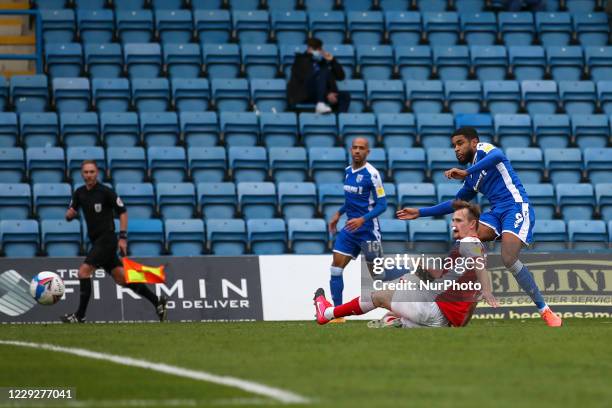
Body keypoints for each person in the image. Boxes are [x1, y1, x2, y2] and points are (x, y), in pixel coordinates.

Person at [396, 127, 562, 327]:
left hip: (516, 206)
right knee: (467, 239)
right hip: (496, 212)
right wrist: (420, 212)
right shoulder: (472, 179)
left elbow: (499, 156)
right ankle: (451, 300)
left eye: (460, 143)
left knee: (508, 258)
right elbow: (455, 203)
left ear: (473, 142)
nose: (456, 149)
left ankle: (545, 310)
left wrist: (467, 171)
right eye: (454, 146)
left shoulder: (484, 150)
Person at [315, 201, 498, 328]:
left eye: (458, 220)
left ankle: (328, 314)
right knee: (408, 280)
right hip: (442, 320)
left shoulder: (469, 244)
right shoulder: (477, 247)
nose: (453, 225)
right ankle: (398, 321)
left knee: (378, 296)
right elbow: (467, 291)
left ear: (472, 224)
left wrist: (423, 268)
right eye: (452, 220)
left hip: (433, 313)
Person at [61, 160, 167, 323]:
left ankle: (79, 316)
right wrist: (69, 215)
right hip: (97, 241)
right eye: (86, 172)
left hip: (107, 239)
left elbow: (123, 212)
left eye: (92, 172)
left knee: (83, 272)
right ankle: (157, 301)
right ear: (82, 174)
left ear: (97, 173)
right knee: (121, 278)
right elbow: (72, 210)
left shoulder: (106, 192)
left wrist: (123, 237)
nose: (89, 175)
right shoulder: (79, 193)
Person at [327, 137, 387, 323]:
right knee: (335, 269)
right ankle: (338, 314)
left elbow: (382, 205)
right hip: (350, 230)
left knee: (379, 277)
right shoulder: (347, 171)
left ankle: (403, 308)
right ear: (350, 150)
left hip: (368, 230)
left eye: (361, 148)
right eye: (355, 148)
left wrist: (363, 219)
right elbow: (351, 200)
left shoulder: (372, 174)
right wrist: (338, 213)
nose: (357, 151)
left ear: (367, 152)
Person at [287, 37, 350, 114]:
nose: (319, 51)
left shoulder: (322, 62)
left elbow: (341, 77)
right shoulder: (300, 60)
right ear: (309, 48)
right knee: (322, 71)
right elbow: (306, 79)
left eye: (320, 49)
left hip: (322, 94)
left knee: (345, 96)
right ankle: (320, 103)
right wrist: (327, 94)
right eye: (316, 49)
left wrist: (333, 61)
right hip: (305, 93)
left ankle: (339, 119)